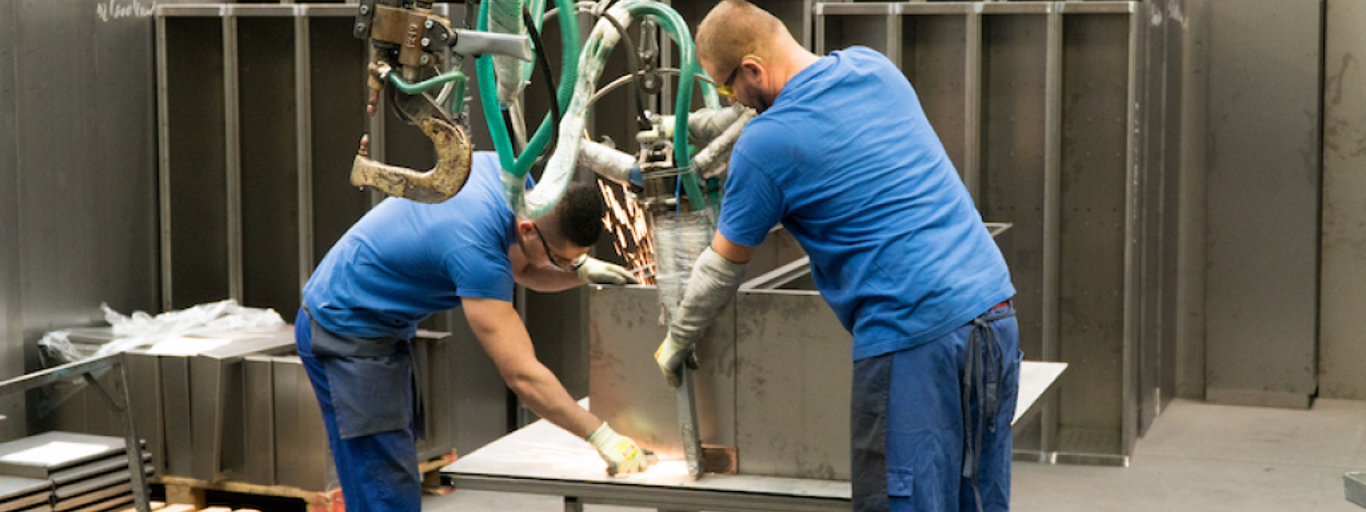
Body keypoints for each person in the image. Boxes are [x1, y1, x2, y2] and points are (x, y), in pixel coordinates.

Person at [653, 2, 1019, 511]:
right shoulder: (873, 67)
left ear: (752, 69)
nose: (733, 101)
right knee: (977, 498)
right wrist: (688, 126)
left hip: (912, 335)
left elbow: (719, 270)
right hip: (993, 314)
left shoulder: (764, 145)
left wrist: (676, 339)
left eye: (727, 87)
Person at [297, 151, 653, 512]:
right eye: (562, 259)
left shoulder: (514, 180)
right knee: (385, 491)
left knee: (390, 474)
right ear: (528, 229)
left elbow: (523, 268)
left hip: (379, 326)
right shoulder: (476, 251)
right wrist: (599, 434)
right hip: (344, 329)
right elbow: (523, 376)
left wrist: (579, 271)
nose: (566, 266)